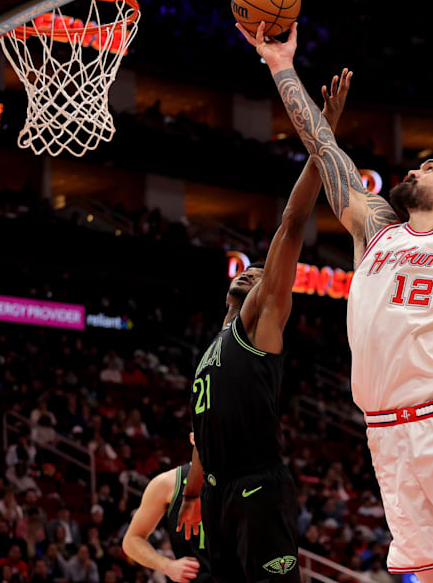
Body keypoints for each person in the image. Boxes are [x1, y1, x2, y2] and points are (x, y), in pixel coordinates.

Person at [238, 21, 433, 583]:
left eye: (431, 168)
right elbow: (323, 148)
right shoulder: (375, 229)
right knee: (425, 572)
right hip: (384, 428)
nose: (415, 169)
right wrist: (279, 64)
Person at [175, 68, 355, 582]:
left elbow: (292, 221)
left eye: (261, 272)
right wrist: (192, 495)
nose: (255, 272)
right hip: (217, 491)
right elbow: (199, 438)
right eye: (247, 270)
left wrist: (323, 136)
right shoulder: (213, 345)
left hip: (257, 485)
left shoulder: (261, 319)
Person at [123, 439, 209, 582]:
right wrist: (168, 566)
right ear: (193, 438)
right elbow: (131, 541)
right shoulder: (168, 483)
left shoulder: (244, 482)